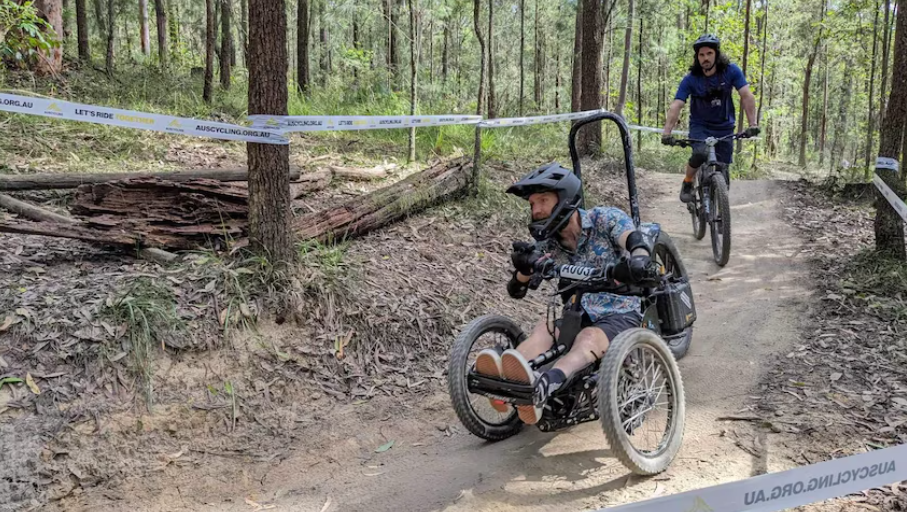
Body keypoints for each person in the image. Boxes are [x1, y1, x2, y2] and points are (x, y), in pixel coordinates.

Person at [474, 164, 657, 425]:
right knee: (544, 329)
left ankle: (548, 382)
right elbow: (518, 290)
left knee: (589, 337)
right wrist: (523, 267)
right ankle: (510, 378)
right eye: (532, 203)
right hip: (577, 312)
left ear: (565, 198)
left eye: (543, 201)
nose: (536, 209)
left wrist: (638, 258)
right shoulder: (547, 244)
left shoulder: (605, 219)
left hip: (620, 309)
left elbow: (633, 239)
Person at [661, 34, 760, 203]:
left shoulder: (731, 71)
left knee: (723, 172)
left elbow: (746, 95)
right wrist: (667, 132)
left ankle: (720, 208)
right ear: (697, 57)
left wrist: (753, 124)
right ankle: (687, 182)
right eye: (701, 55)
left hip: (724, 126)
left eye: (709, 54)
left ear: (716, 54)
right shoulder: (691, 79)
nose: (705, 58)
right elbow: (677, 104)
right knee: (700, 153)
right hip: (700, 126)